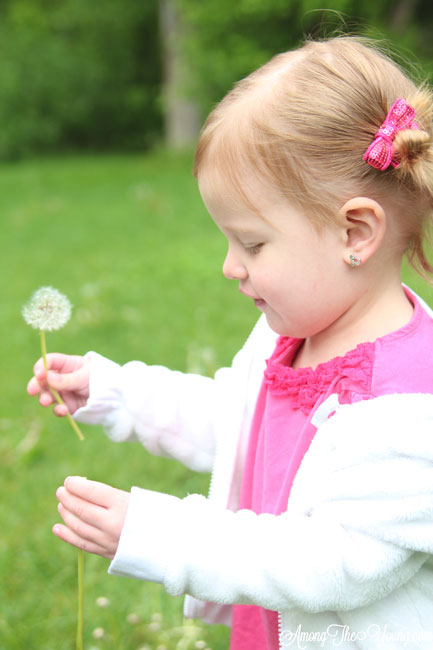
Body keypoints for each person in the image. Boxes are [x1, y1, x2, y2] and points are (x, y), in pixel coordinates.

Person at [28, 36, 433, 650]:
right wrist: (121, 394)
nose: (230, 267)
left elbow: (329, 561)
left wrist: (165, 536)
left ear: (356, 231)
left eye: (252, 243)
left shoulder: (406, 408)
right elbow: (239, 422)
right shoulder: (297, 334)